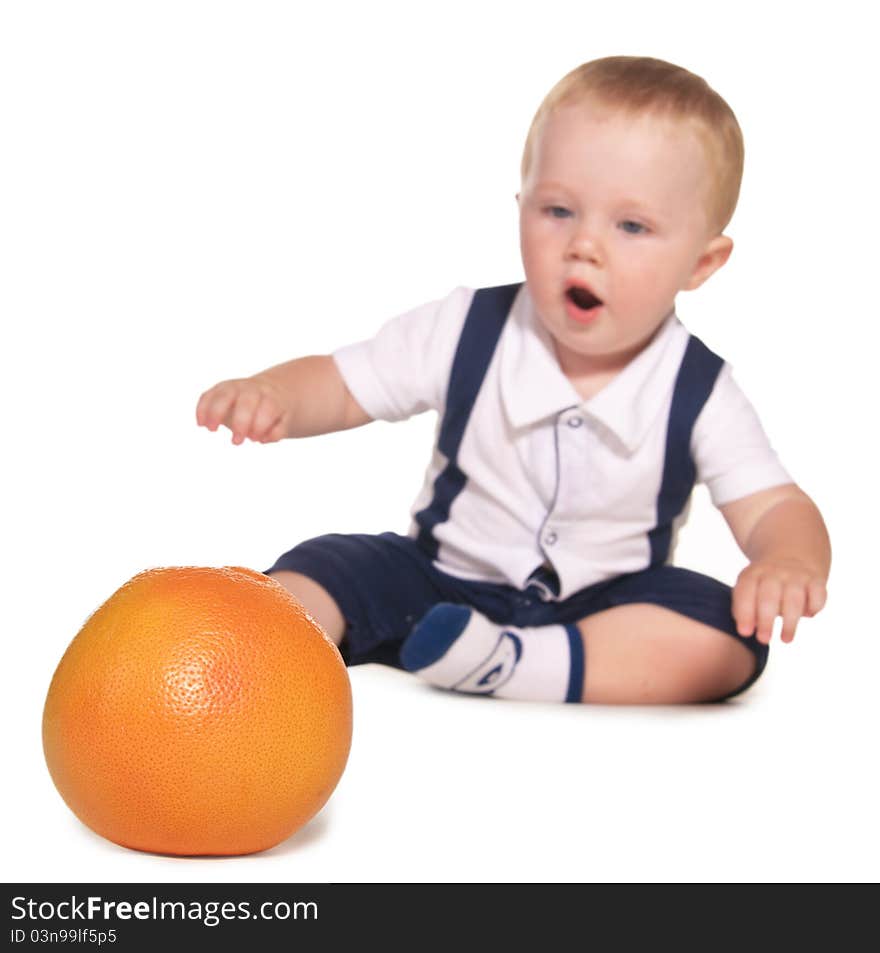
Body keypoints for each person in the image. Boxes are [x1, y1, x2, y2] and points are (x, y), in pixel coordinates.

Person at [196, 55, 830, 705]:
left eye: (632, 226)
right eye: (558, 210)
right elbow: (343, 382)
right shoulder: (468, 326)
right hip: (437, 581)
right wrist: (275, 394)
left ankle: (516, 664)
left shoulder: (699, 390)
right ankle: (243, 652)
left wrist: (789, 560)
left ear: (702, 262)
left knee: (728, 632)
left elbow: (773, 504)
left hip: (604, 615)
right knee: (329, 564)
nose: (585, 245)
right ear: (520, 204)